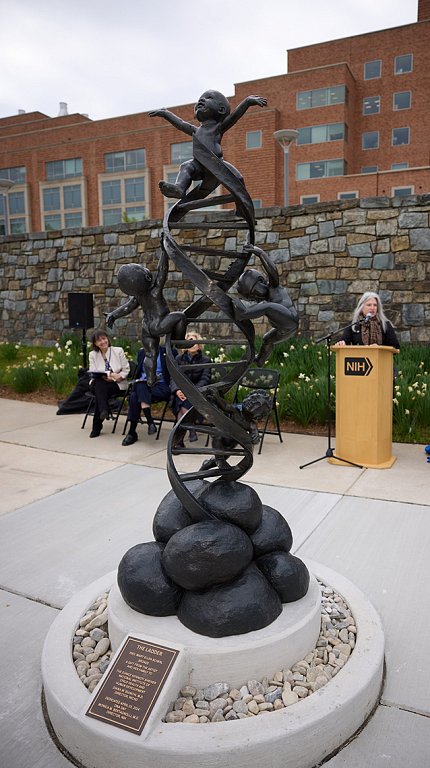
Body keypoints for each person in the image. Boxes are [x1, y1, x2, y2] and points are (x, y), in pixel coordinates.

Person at [149, 91, 267, 199]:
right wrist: (166, 113)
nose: (201, 100)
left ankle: (242, 202)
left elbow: (234, 116)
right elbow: (180, 124)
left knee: (238, 178)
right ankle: (179, 188)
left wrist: (247, 102)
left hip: (217, 164)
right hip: (199, 166)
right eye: (200, 99)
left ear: (221, 109)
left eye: (208, 98)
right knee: (186, 166)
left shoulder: (218, 128)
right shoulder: (195, 130)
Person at [105, 246, 186, 387]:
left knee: (150, 354)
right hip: (159, 324)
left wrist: (113, 315)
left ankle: (150, 378)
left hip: (147, 326)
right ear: (146, 277)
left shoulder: (138, 296)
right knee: (180, 316)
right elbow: (162, 272)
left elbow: (127, 307)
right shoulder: (154, 291)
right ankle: (179, 341)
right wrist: (164, 253)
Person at [232, 244, 298, 366]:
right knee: (267, 339)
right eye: (252, 297)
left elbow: (272, 271)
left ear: (261, 281)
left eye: (255, 292)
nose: (255, 297)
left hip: (290, 319)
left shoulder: (274, 287)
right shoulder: (264, 300)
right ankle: (260, 360)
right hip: (283, 329)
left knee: (267, 306)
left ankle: (244, 313)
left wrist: (260, 253)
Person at [121, 346, 175, 446]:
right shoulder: (142, 352)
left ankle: (133, 432)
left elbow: (173, 373)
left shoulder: (168, 352)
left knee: (135, 395)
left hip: (161, 386)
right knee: (136, 393)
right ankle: (147, 424)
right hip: (143, 385)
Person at [170, 331, 211, 446]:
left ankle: (178, 441)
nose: (192, 344)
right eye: (189, 341)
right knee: (181, 401)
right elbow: (174, 378)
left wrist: (191, 392)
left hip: (197, 393)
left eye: (194, 341)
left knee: (183, 406)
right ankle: (191, 428)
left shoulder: (205, 360)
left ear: (199, 345)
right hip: (180, 393)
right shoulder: (178, 359)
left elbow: (205, 379)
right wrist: (177, 390)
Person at [88, 331, 130, 438]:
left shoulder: (118, 351)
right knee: (99, 384)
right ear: (95, 344)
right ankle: (103, 410)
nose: (103, 342)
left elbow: (126, 369)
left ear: (107, 339)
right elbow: (93, 371)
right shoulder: (92, 355)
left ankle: (98, 423)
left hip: (116, 383)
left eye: (104, 339)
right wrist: (107, 375)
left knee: (100, 392)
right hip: (99, 382)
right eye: (99, 340)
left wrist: (118, 377)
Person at [335, 292, 400, 348]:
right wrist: (341, 343)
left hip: (381, 360)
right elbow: (344, 342)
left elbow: (395, 347)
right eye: (369, 305)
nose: (372, 308)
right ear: (361, 308)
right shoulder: (354, 325)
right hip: (359, 361)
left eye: (375, 305)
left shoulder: (385, 324)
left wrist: (379, 348)